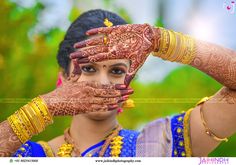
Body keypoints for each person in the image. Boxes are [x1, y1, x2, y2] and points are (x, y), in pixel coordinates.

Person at [0, 9, 235, 157]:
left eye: (116, 71)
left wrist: (160, 40)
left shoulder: (155, 147)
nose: (103, 82)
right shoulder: (31, 155)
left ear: (129, 82)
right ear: (63, 78)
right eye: (89, 68)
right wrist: (44, 107)